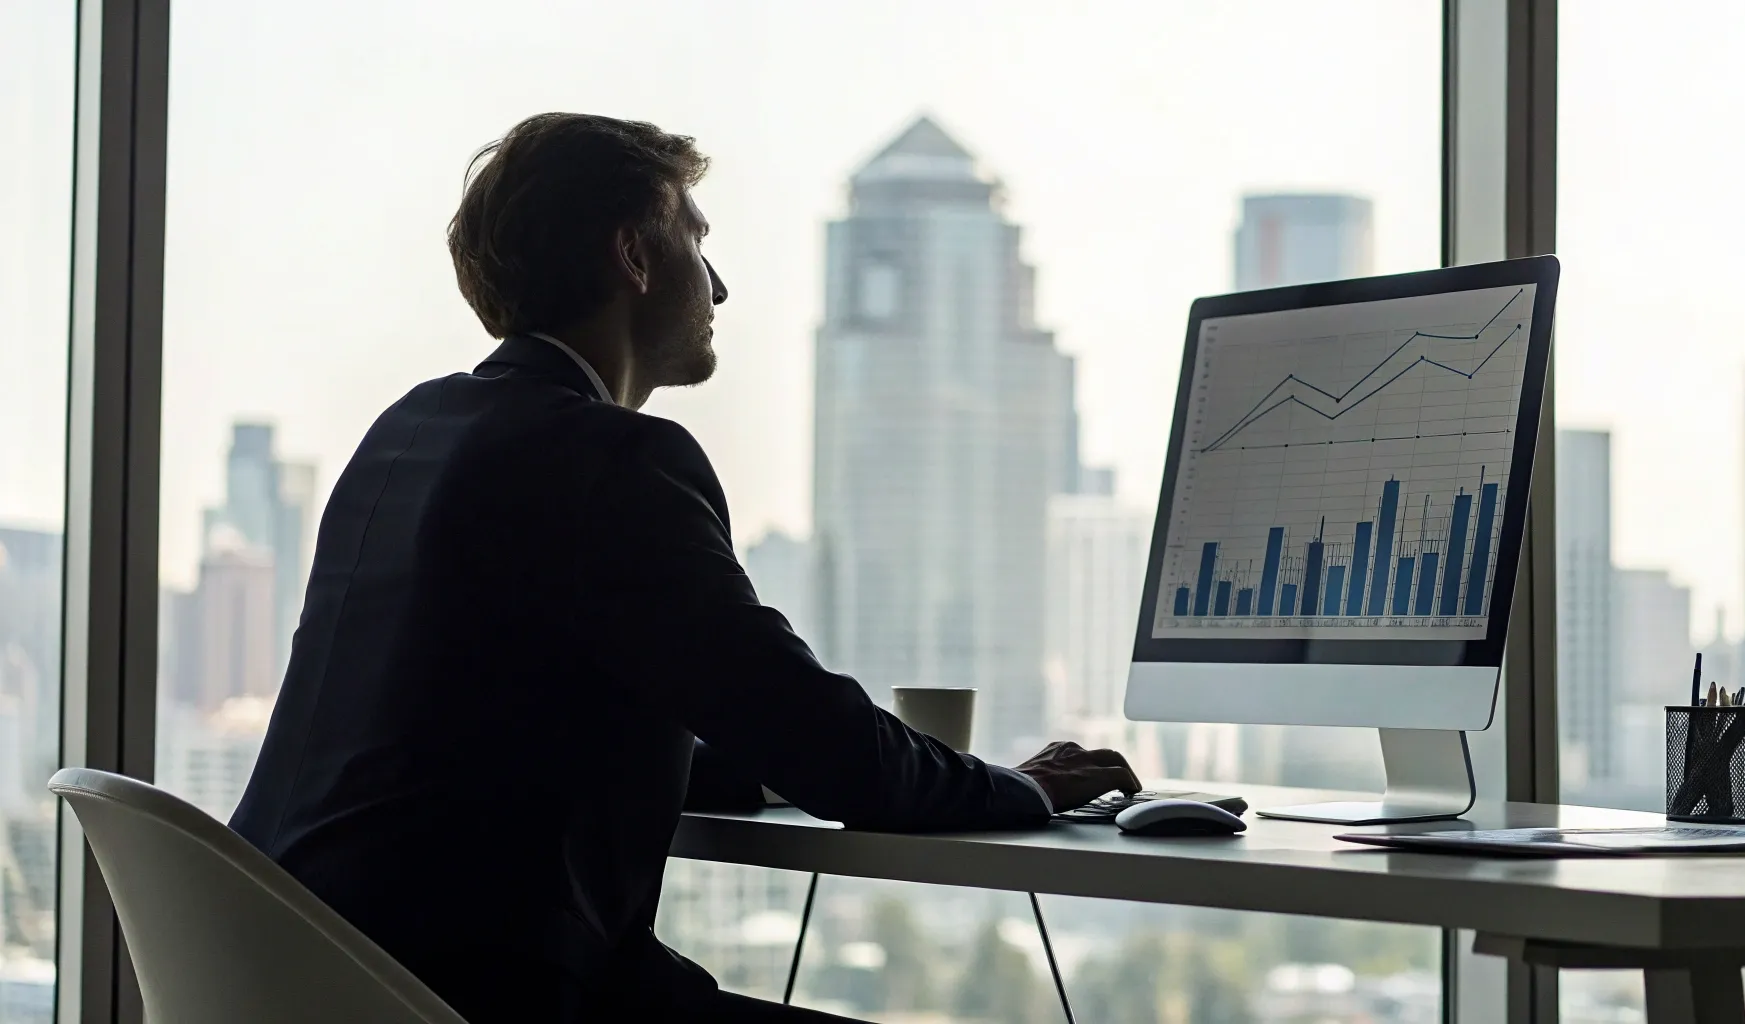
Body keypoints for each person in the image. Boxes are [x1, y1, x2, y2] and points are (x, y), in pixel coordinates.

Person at [229, 112, 1142, 1024]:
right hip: (483, 993)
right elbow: (826, 745)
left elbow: (503, 735)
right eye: (696, 242)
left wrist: (768, 759)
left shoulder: (408, 434)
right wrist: (1023, 788)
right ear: (633, 255)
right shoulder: (614, 461)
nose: (719, 284)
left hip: (296, 970)